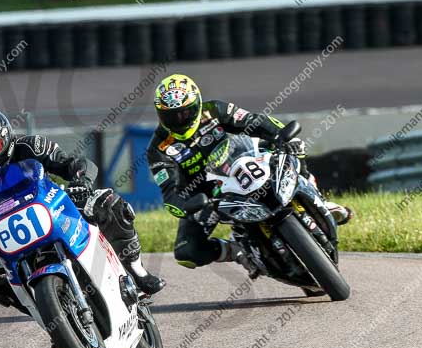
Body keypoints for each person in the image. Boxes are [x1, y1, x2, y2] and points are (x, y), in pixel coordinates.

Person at [0, 107, 165, 315]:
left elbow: (73, 164)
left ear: (5, 139)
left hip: (54, 209)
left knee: (108, 203)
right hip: (13, 241)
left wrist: (81, 180)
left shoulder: (30, 147)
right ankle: (50, 313)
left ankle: (137, 272)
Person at [146, 74, 352, 274]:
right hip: (210, 196)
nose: (179, 119)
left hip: (245, 160)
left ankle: (319, 199)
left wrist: (279, 137)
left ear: (198, 104)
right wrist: (186, 205)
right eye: (170, 116)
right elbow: (169, 193)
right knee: (186, 252)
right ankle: (238, 252)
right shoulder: (158, 149)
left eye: (185, 112)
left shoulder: (215, 110)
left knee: (295, 144)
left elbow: (255, 121)